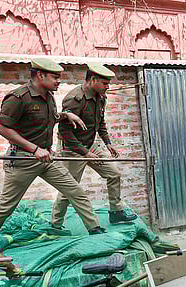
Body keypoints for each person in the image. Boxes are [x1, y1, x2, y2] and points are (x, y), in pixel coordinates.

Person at [0, 58, 107, 240]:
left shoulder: (48, 96)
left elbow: (48, 119)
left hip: (46, 159)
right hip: (23, 160)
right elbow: (2, 128)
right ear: (40, 75)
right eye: (55, 77)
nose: (59, 81)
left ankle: (95, 230)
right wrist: (34, 150)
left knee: (76, 191)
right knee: (5, 208)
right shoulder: (18, 97)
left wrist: (64, 115)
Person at [52, 63, 137, 230]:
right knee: (69, 189)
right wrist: (84, 153)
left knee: (114, 174)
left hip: (90, 145)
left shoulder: (100, 96)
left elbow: (100, 122)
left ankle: (116, 212)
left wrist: (108, 143)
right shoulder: (74, 99)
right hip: (72, 149)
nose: (108, 87)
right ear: (93, 80)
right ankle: (55, 224)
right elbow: (65, 132)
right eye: (105, 84)